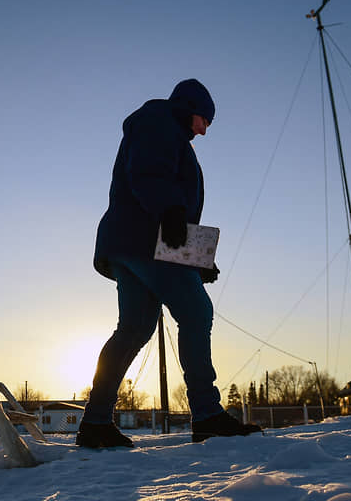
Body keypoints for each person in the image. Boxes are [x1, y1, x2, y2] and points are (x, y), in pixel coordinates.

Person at [77, 79, 262, 447]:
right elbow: (149, 172)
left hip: (132, 242)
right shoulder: (158, 120)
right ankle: (208, 414)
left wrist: (196, 259)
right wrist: (171, 211)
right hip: (145, 240)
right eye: (203, 121)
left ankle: (95, 423)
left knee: (133, 329)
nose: (204, 131)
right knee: (195, 312)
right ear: (190, 108)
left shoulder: (165, 129)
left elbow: (165, 197)